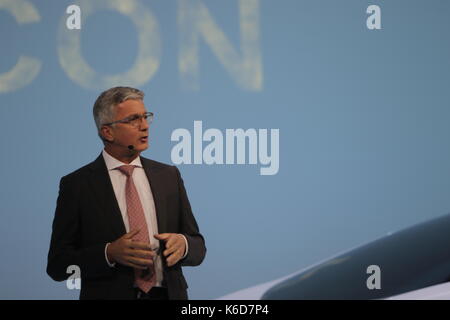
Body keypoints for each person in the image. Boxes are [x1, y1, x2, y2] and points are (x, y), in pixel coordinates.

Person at [47, 86, 206, 300]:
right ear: (107, 132)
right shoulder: (77, 185)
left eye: (145, 117)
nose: (144, 127)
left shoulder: (168, 176)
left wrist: (183, 244)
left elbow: (198, 246)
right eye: (133, 119)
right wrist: (109, 253)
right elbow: (58, 265)